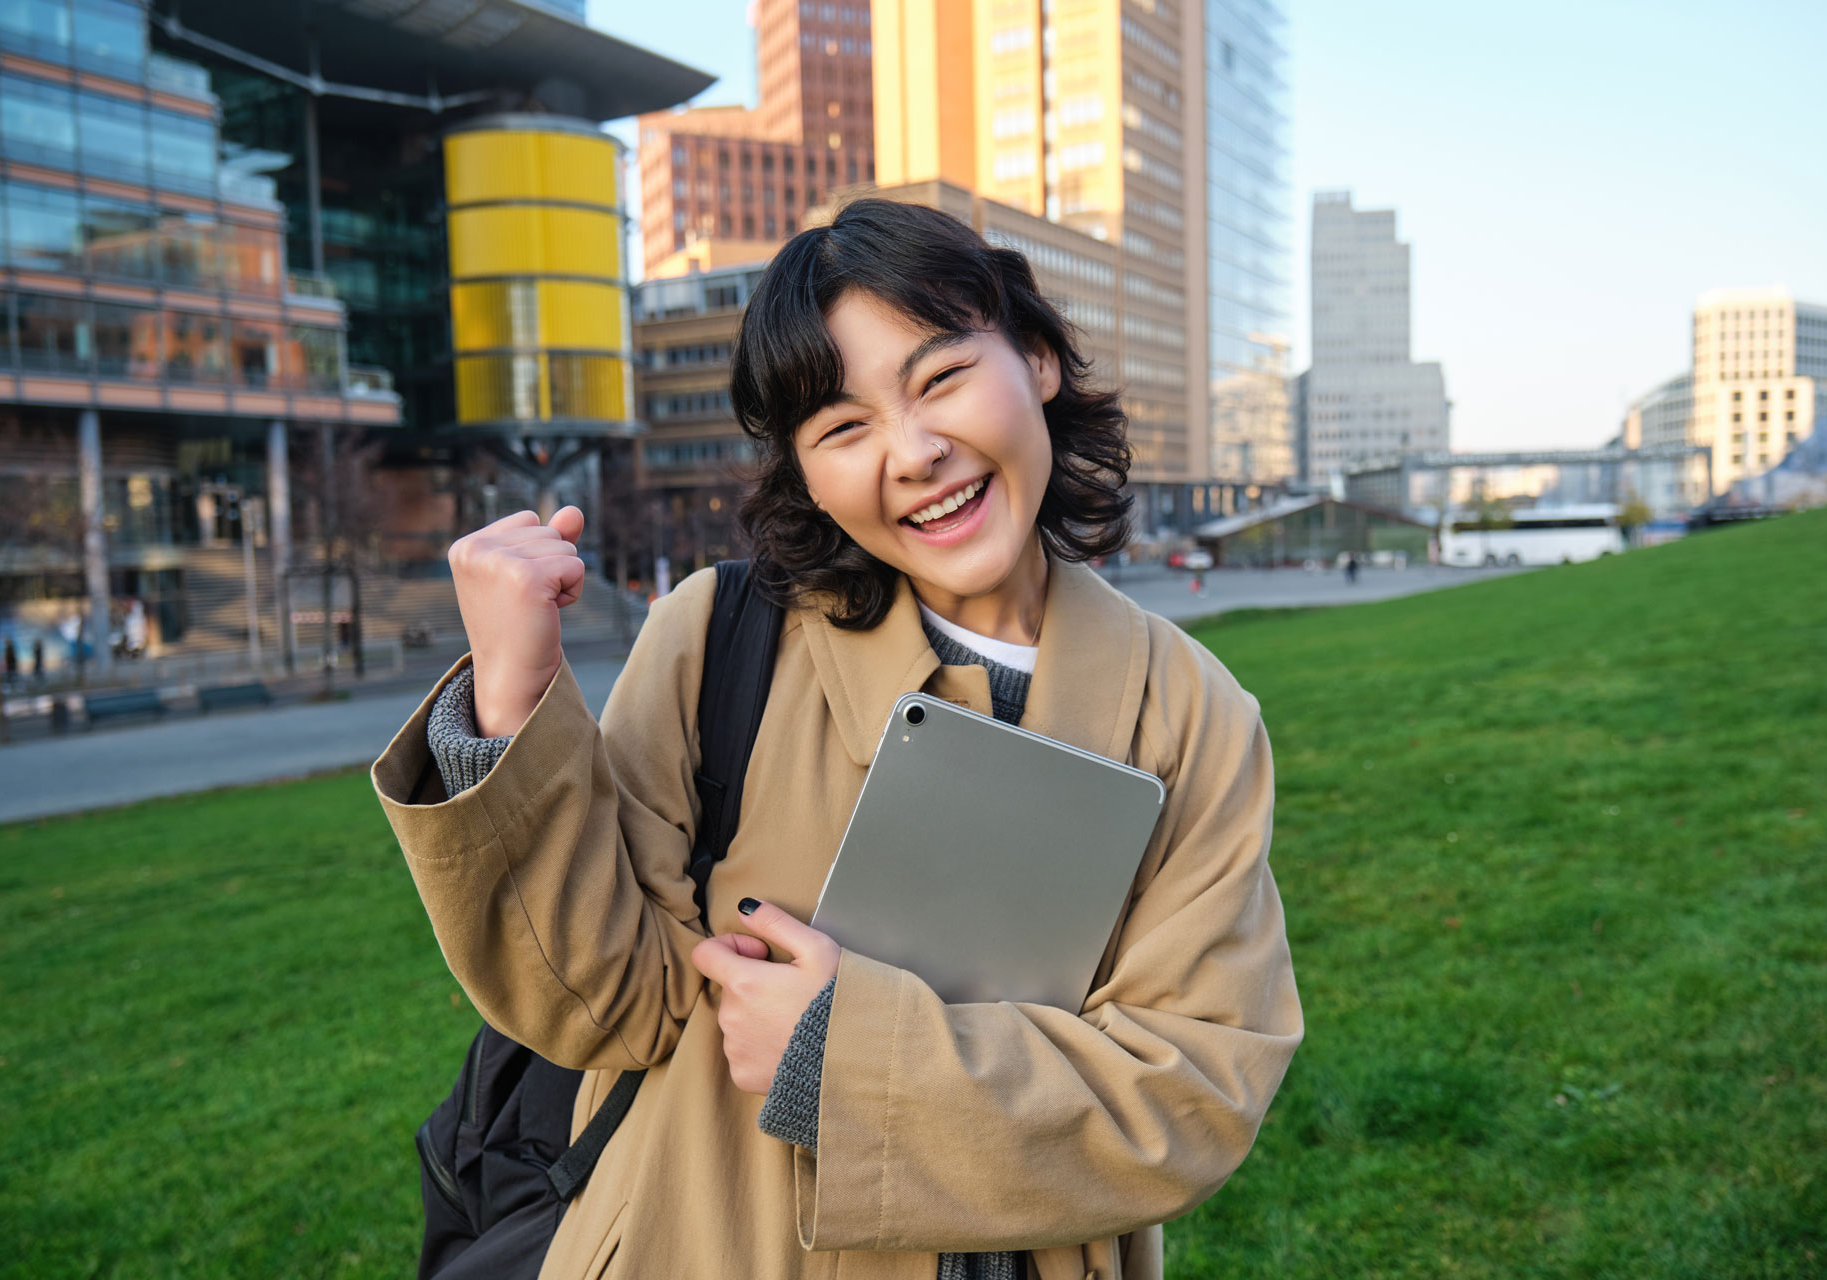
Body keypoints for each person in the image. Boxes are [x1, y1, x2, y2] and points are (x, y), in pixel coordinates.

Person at [373, 199, 1301, 1280]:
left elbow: (1194, 1086)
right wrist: (511, 693)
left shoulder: (1191, 711)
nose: (914, 453)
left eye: (941, 377)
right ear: (804, 471)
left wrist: (837, 1055)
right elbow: (599, 1001)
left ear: (1038, 358)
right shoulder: (719, 639)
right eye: (841, 427)